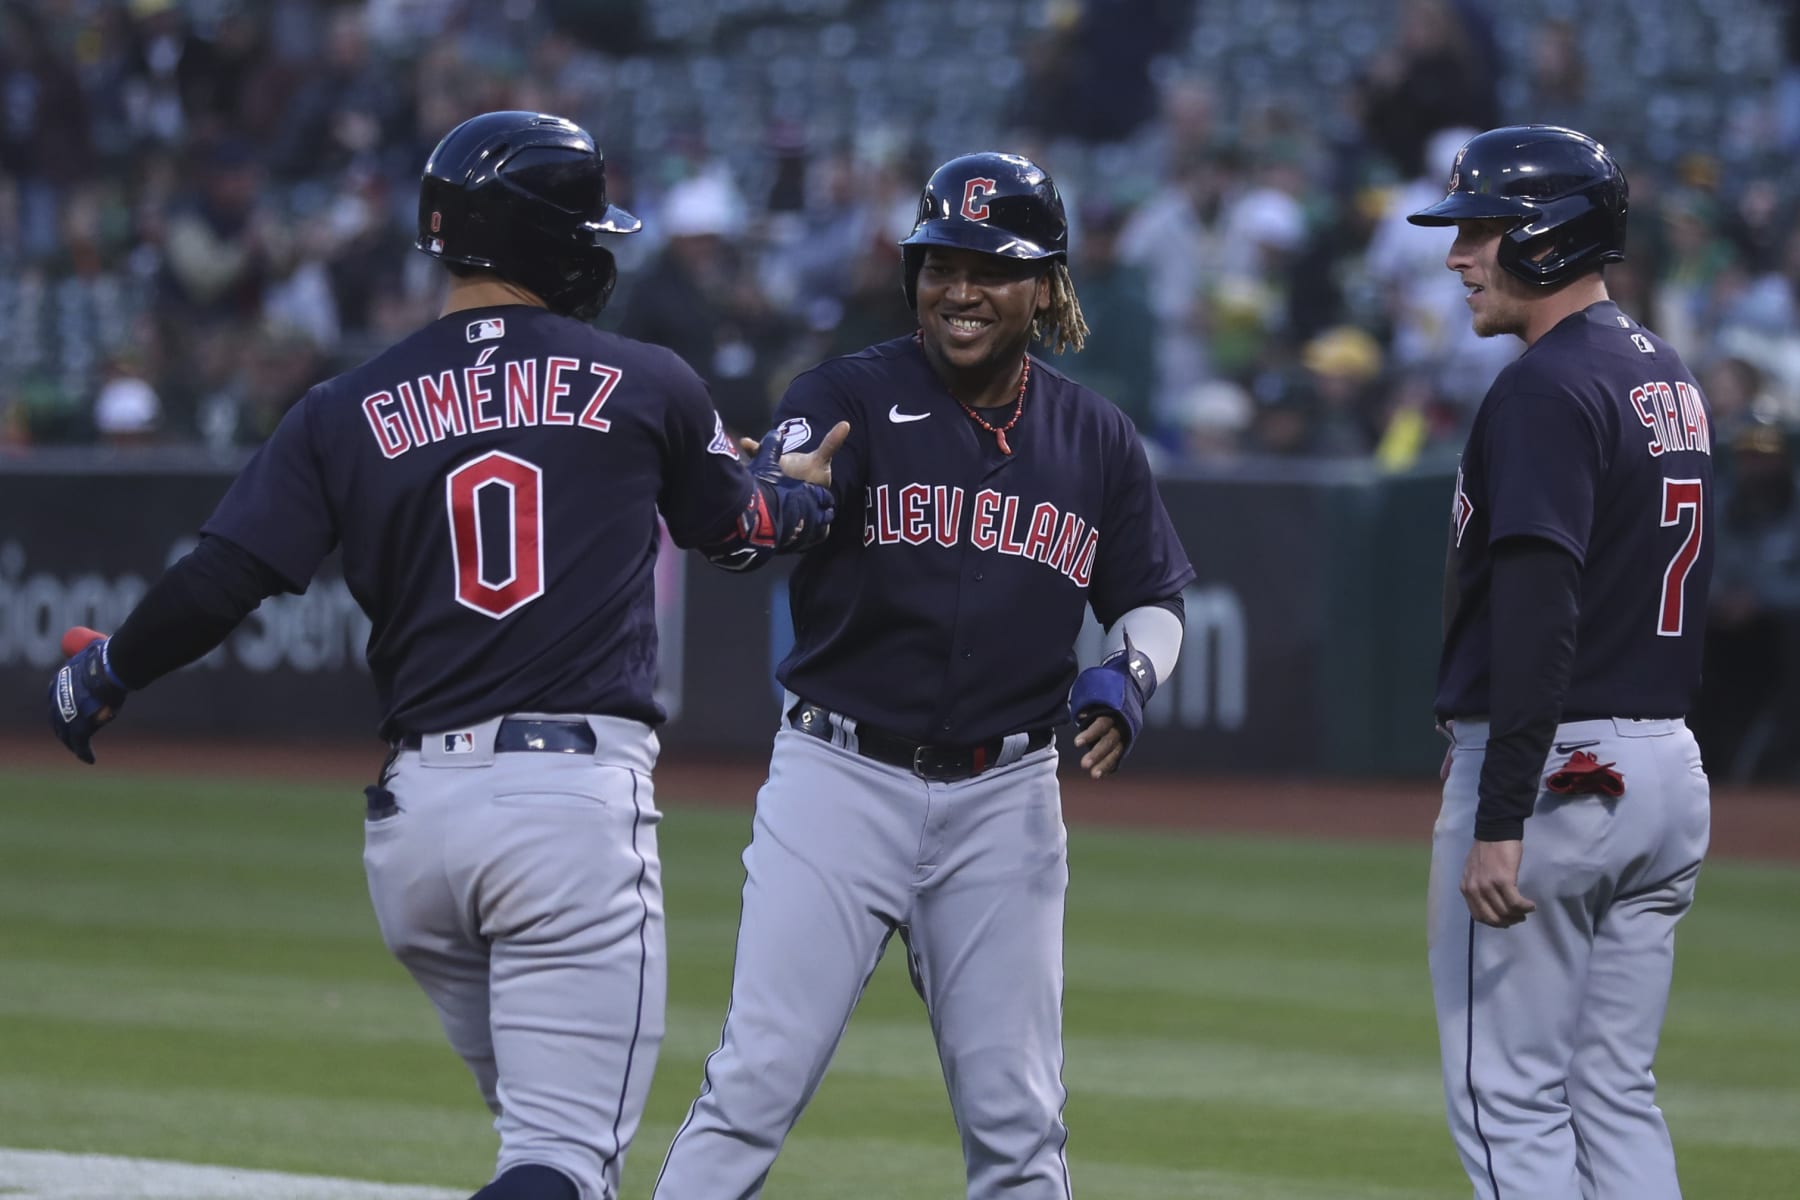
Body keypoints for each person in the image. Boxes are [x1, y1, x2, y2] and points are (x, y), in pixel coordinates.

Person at [45, 110, 842, 1200]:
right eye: (587, 232)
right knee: (563, 1162)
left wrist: (109, 672)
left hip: (415, 833)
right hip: (564, 812)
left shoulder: (344, 404)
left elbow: (219, 579)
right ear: (552, 244)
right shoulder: (647, 380)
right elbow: (745, 535)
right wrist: (803, 498)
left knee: (544, 1156)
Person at [652, 152, 1195, 1200]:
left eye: (991, 269)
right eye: (940, 263)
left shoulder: (1096, 438)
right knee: (756, 1081)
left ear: (1045, 285)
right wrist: (773, 504)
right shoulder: (846, 393)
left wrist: (1129, 671)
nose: (959, 290)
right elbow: (764, 512)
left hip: (1006, 797)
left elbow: (1153, 600)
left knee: (1019, 1120)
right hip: (840, 777)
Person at [1408, 125, 1714, 1200]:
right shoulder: (1664, 371)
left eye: (1480, 231)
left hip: (1558, 770)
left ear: (1546, 236)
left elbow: (1540, 617)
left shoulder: (1544, 389)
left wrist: (1501, 818)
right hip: (1665, 764)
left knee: (1510, 1096)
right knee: (1612, 1090)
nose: (1458, 257)